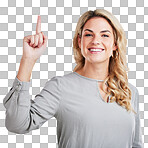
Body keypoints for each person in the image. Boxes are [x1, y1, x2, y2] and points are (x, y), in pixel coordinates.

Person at [3, 9, 143, 148]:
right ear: (79, 41)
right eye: (89, 34)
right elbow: (17, 124)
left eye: (105, 35)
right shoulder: (60, 87)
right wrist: (28, 60)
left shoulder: (129, 91)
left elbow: (136, 144)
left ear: (115, 44)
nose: (96, 41)